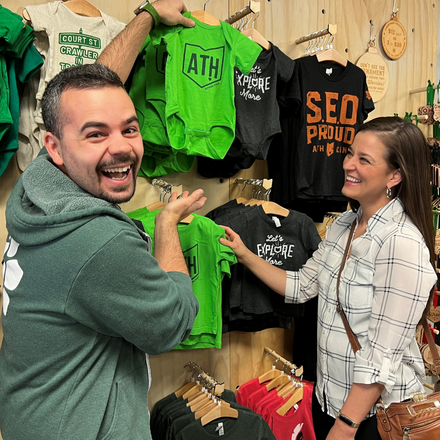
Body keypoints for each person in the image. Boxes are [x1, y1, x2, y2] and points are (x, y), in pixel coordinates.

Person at [0, 61, 207, 439]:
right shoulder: (97, 240)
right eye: (96, 135)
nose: (122, 148)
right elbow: (172, 323)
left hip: (31, 417)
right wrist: (166, 227)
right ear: (55, 147)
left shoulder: (37, 192)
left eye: (129, 128)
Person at [220, 117, 437, 440]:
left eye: (364, 159)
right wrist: (245, 254)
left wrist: (345, 426)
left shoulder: (400, 242)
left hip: (374, 417)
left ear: (395, 175)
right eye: (350, 153)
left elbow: (381, 355)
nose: (348, 164)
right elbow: (301, 286)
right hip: (330, 401)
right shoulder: (345, 225)